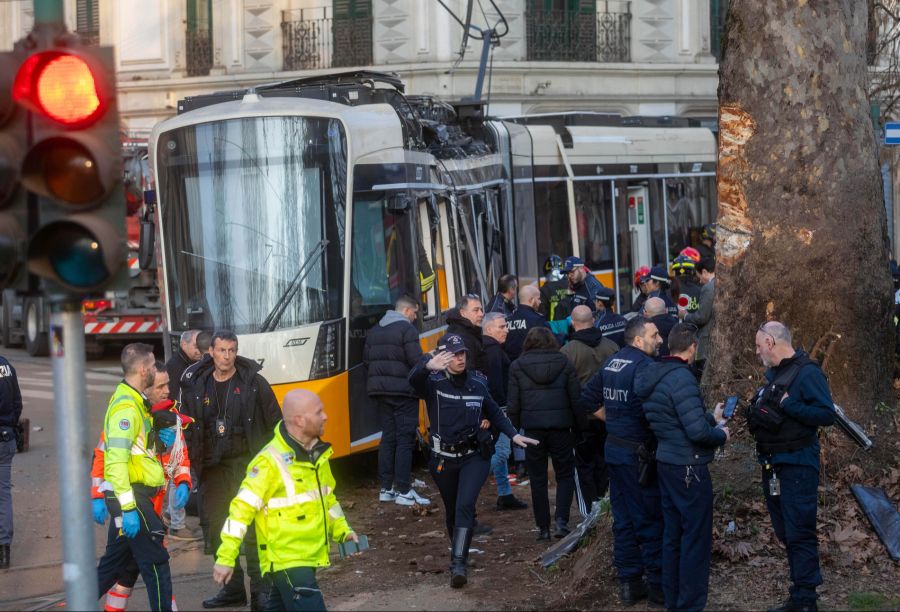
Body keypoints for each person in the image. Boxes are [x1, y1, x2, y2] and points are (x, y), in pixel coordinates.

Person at [408, 333, 537, 588]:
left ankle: (458, 563)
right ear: (442, 356)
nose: (459, 358)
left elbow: (494, 411)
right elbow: (413, 381)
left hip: (473, 457)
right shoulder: (433, 382)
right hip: (442, 458)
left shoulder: (477, 384)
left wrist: (514, 435)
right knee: (453, 509)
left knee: (465, 505)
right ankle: (458, 549)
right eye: (453, 354)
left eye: (462, 353)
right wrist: (426, 363)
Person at [213, 390, 357, 611]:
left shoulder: (318, 454)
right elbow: (240, 512)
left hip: (307, 557)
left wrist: (343, 531)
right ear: (299, 420)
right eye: (319, 412)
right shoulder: (268, 462)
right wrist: (226, 557)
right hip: (287, 560)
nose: (326, 416)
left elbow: (327, 499)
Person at [182, 331, 281, 610]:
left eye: (232, 350)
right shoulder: (196, 385)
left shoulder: (254, 383)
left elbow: (276, 424)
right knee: (216, 529)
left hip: (247, 468)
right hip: (212, 469)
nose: (227, 356)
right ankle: (233, 589)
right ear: (211, 351)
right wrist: (188, 464)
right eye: (222, 350)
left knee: (252, 531)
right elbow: (187, 426)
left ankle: (261, 593)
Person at [635, 323, 729, 612]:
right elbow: (697, 433)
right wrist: (721, 435)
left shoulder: (654, 375)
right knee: (694, 540)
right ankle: (690, 604)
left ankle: (674, 600)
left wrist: (710, 418)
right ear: (692, 348)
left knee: (673, 536)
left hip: (667, 464)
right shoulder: (682, 378)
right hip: (689, 467)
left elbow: (677, 419)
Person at [578, 317, 664, 606]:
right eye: (654, 335)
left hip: (614, 450)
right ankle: (656, 587)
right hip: (636, 455)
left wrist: (613, 420)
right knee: (649, 518)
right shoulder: (645, 367)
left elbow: (587, 398)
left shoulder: (614, 362)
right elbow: (649, 412)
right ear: (639, 340)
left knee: (624, 519)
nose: (660, 339)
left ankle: (629, 583)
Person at [94, 363, 193, 612]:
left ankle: (81, 601)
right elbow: (105, 457)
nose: (167, 390)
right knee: (153, 562)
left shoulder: (169, 418)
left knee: (120, 565)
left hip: (150, 505)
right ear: (145, 386)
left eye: (168, 384)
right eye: (160, 385)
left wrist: (183, 482)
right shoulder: (129, 414)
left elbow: (181, 458)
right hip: (132, 502)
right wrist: (98, 496)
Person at [751, 322, 836, 612]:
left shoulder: (807, 372)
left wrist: (790, 406)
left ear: (771, 343)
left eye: (759, 344)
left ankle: (805, 599)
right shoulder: (774, 375)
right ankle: (800, 592)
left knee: (799, 531)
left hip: (798, 465)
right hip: (773, 464)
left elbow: (826, 414)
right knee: (786, 530)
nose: (757, 350)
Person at [508, 327, 583, 541]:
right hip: (561, 428)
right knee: (565, 475)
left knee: (538, 479)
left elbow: (513, 404)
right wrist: (580, 428)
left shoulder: (518, 366)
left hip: (532, 431)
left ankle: (543, 528)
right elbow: (576, 399)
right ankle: (562, 520)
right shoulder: (564, 362)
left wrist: (511, 432)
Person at [364, 295, 429, 506]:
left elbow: (367, 361)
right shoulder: (407, 330)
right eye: (415, 312)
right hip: (404, 392)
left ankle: (386, 488)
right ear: (407, 311)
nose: (415, 316)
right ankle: (403, 490)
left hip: (380, 392)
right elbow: (416, 361)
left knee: (388, 438)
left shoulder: (375, 330)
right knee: (404, 440)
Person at [561, 306, 617, 509]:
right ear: (593, 320)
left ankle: (589, 512)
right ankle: (605, 506)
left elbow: (564, 388)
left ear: (573, 323)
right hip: (609, 416)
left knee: (584, 466)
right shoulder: (611, 346)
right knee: (605, 464)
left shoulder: (567, 352)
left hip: (581, 419)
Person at [482, 312, 528, 511]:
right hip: (497, 409)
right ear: (489, 329)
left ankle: (505, 493)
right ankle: (467, 484)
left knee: (500, 452)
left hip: (493, 409)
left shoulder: (487, 349)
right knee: (501, 453)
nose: (506, 330)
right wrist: (500, 412)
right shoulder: (493, 352)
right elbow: (494, 386)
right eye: (501, 327)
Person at [164, 333, 202, 540]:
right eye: (195, 346)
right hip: (176, 428)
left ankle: (171, 515)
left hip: (182, 427)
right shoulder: (176, 367)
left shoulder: (187, 364)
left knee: (186, 474)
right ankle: (177, 525)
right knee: (179, 475)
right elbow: (174, 401)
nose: (199, 350)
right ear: (184, 343)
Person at [0, 354, 22, 570]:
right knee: (3, 495)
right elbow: (17, 403)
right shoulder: (6, 365)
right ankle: (4, 550)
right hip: (5, 438)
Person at [680, 257, 716, 375]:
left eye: (699, 276)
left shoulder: (708, 288)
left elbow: (702, 317)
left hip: (707, 341)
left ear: (705, 272)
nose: (699, 281)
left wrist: (685, 315)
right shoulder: (721, 283)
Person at [505, 285, 551, 360]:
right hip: (532, 364)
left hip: (512, 366)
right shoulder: (537, 320)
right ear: (531, 300)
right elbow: (548, 342)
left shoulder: (508, 319)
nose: (540, 302)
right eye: (538, 299)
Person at [446, 294, 488, 373]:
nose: (481, 314)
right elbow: (468, 372)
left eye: (481, 310)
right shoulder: (464, 338)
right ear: (463, 313)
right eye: (476, 310)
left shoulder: (467, 330)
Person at [539, 254, 570, 321]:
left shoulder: (544, 290)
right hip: (571, 326)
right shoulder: (570, 285)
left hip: (553, 327)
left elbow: (542, 313)